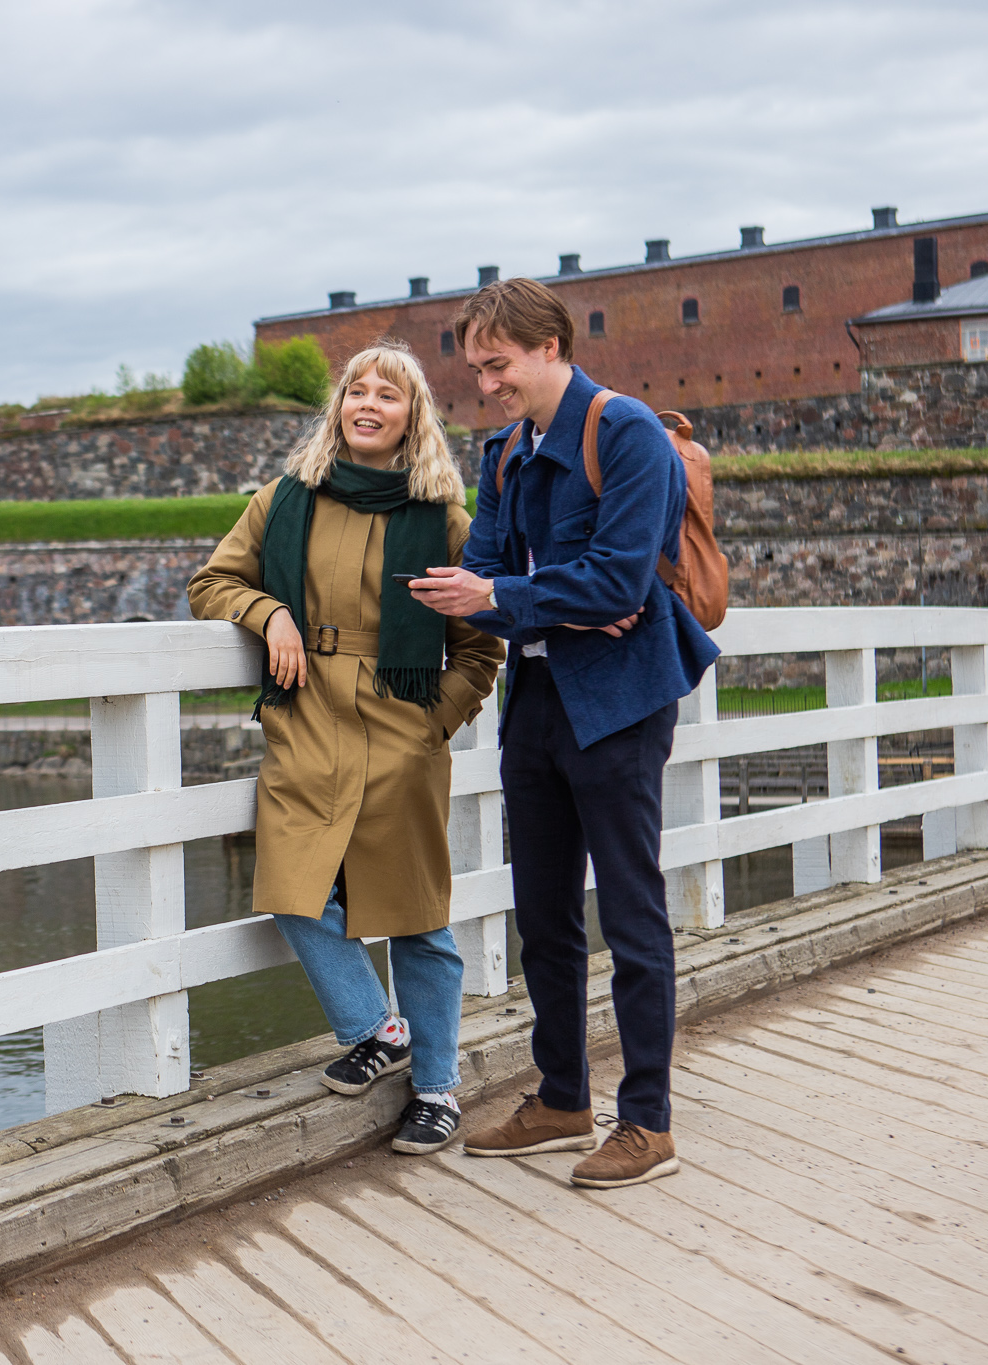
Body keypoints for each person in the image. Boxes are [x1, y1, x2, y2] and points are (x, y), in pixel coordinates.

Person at [407, 278, 719, 1189]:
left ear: (550, 347)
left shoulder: (624, 432)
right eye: (476, 368)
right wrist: (540, 598)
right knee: (542, 910)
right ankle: (562, 1096)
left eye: (498, 365)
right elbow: (487, 568)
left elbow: (618, 584)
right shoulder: (504, 452)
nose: (486, 384)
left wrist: (515, 597)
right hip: (537, 695)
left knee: (629, 910)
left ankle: (648, 1121)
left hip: (620, 698)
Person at [189, 344, 504, 1155]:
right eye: (355, 390)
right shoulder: (283, 500)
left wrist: (433, 724)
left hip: (403, 723)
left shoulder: (443, 520)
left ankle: (436, 1088)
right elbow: (212, 583)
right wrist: (271, 615)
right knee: (294, 889)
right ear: (338, 409)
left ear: (412, 417)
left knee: (415, 915)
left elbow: (480, 648)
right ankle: (377, 1026)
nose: (367, 403)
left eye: (387, 394)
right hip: (306, 715)